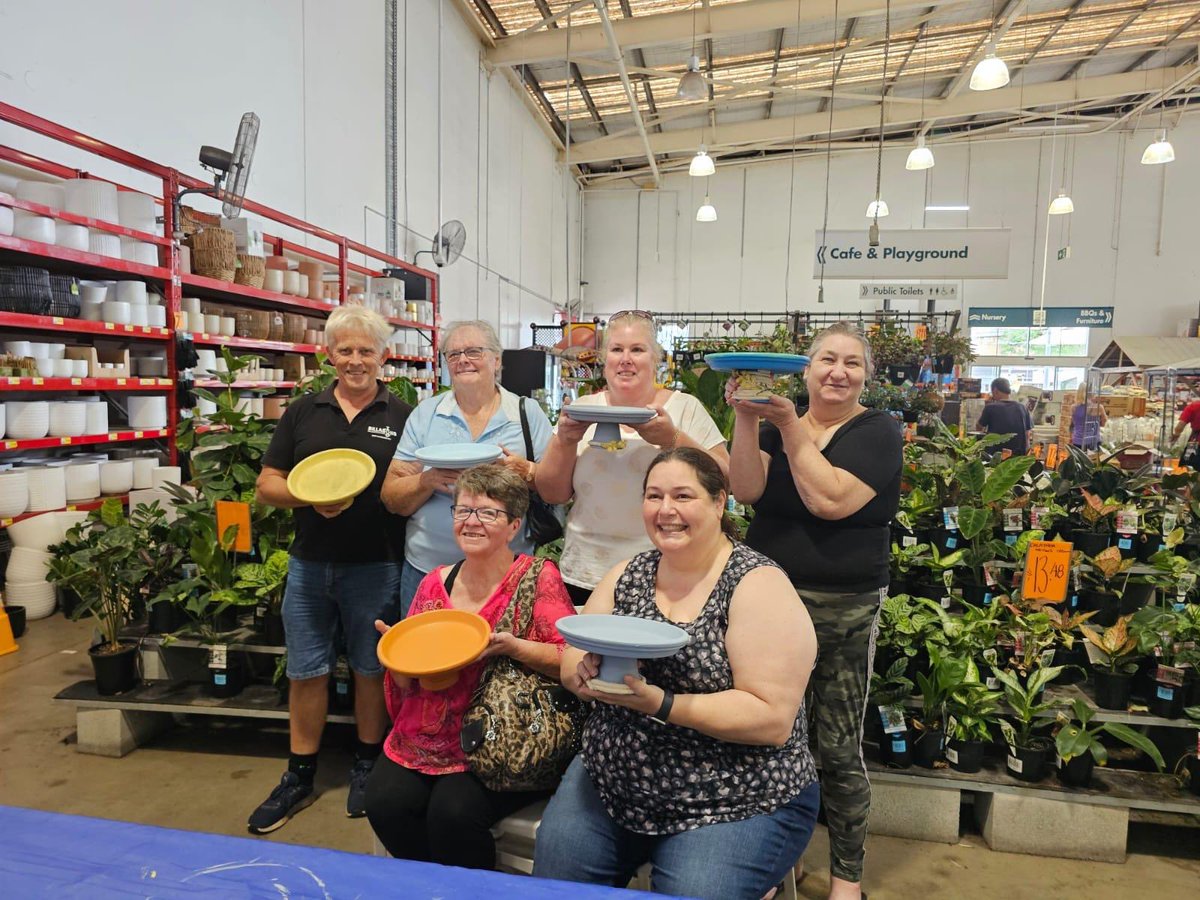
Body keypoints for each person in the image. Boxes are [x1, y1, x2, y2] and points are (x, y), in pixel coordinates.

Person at [533, 448, 820, 900]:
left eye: (683, 495)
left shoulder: (755, 584)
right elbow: (574, 652)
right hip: (612, 781)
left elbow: (771, 718)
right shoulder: (629, 573)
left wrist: (663, 705)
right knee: (555, 888)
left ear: (719, 502)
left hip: (735, 795)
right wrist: (582, 673)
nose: (666, 510)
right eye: (654, 495)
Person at [727, 321, 902, 900]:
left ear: (866, 376)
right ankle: (782, 861)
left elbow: (828, 500)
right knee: (770, 736)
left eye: (852, 363)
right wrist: (747, 418)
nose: (838, 372)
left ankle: (847, 880)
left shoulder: (877, 430)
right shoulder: (779, 422)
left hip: (842, 609)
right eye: (827, 359)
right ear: (805, 369)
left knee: (836, 746)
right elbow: (747, 490)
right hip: (768, 601)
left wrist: (786, 426)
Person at [248, 305, 412, 834]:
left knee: (371, 669)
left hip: (376, 564)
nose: (356, 361)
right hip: (310, 564)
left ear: (384, 356)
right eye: (346, 350)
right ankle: (299, 774)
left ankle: (367, 763)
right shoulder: (302, 412)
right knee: (307, 669)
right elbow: (266, 485)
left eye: (367, 350)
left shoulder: (404, 416)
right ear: (329, 355)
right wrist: (305, 497)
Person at [365, 464, 576, 868]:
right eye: (463, 511)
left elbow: (569, 660)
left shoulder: (537, 577)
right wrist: (397, 653)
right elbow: (407, 681)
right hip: (426, 731)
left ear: (514, 525)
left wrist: (512, 647)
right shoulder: (434, 582)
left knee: (453, 815)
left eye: (487, 512)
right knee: (385, 803)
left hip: (502, 735)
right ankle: (436, 888)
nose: (472, 522)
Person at [535, 310, 729, 606]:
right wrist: (565, 440)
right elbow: (552, 492)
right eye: (616, 349)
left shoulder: (685, 409)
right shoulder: (582, 409)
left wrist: (671, 439)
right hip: (584, 571)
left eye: (637, 350)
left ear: (656, 359)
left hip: (666, 571)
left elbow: (728, 479)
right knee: (584, 652)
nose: (626, 359)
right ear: (605, 360)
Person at [381, 320, 552, 615]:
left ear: (496, 359)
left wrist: (526, 471)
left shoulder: (526, 413)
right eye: (453, 354)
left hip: (507, 573)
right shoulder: (426, 414)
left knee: (504, 657)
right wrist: (427, 480)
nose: (463, 360)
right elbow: (391, 497)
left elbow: (557, 488)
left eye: (474, 351)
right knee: (425, 657)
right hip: (429, 572)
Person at [975, 377, 1032, 456]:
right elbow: (1027, 434)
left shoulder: (990, 407)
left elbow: (979, 428)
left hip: (994, 455)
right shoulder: (1022, 408)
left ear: (995, 391)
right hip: (1016, 456)